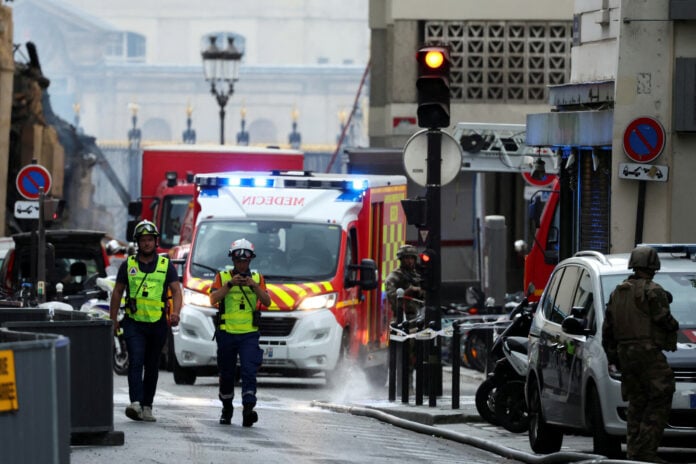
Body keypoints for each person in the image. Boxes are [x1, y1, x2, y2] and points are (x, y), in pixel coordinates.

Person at [602, 246, 679, 463]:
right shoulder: (652, 290)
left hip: (625, 354)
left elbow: (607, 329)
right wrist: (674, 326)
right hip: (647, 352)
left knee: (637, 402)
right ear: (653, 265)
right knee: (661, 395)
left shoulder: (618, 292)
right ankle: (646, 452)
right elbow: (664, 319)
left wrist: (613, 356)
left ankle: (634, 452)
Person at [110, 220, 183, 422]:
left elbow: (176, 290)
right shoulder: (129, 265)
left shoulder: (165, 264)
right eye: (143, 240)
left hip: (158, 324)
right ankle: (135, 403)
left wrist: (176, 312)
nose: (147, 244)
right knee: (136, 361)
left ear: (155, 241)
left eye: (150, 240)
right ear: (138, 243)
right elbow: (117, 292)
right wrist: (113, 319)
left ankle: (147, 405)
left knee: (152, 366)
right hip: (134, 322)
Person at [209, 238, 271, 427]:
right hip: (227, 334)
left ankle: (248, 409)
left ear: (250, 260)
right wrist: (229, 285)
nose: (242, 264)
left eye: (245, 260)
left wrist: (254, 286)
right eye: (238, 260)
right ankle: (227, 407)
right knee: (227, 374)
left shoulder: (258, 278)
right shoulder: (222, 277)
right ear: (233, 259)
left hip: (249, 334)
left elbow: (267, 302)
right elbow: (212, 299)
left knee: (249, 371)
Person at [385, 244, 424, 322]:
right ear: (401, 259)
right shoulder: (394, 277)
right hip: (401, 318)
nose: (410, 261)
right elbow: (392, 300)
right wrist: (408, 291)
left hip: (419, 315)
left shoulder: (418, 274)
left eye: (412, 258)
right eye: (406, 258)